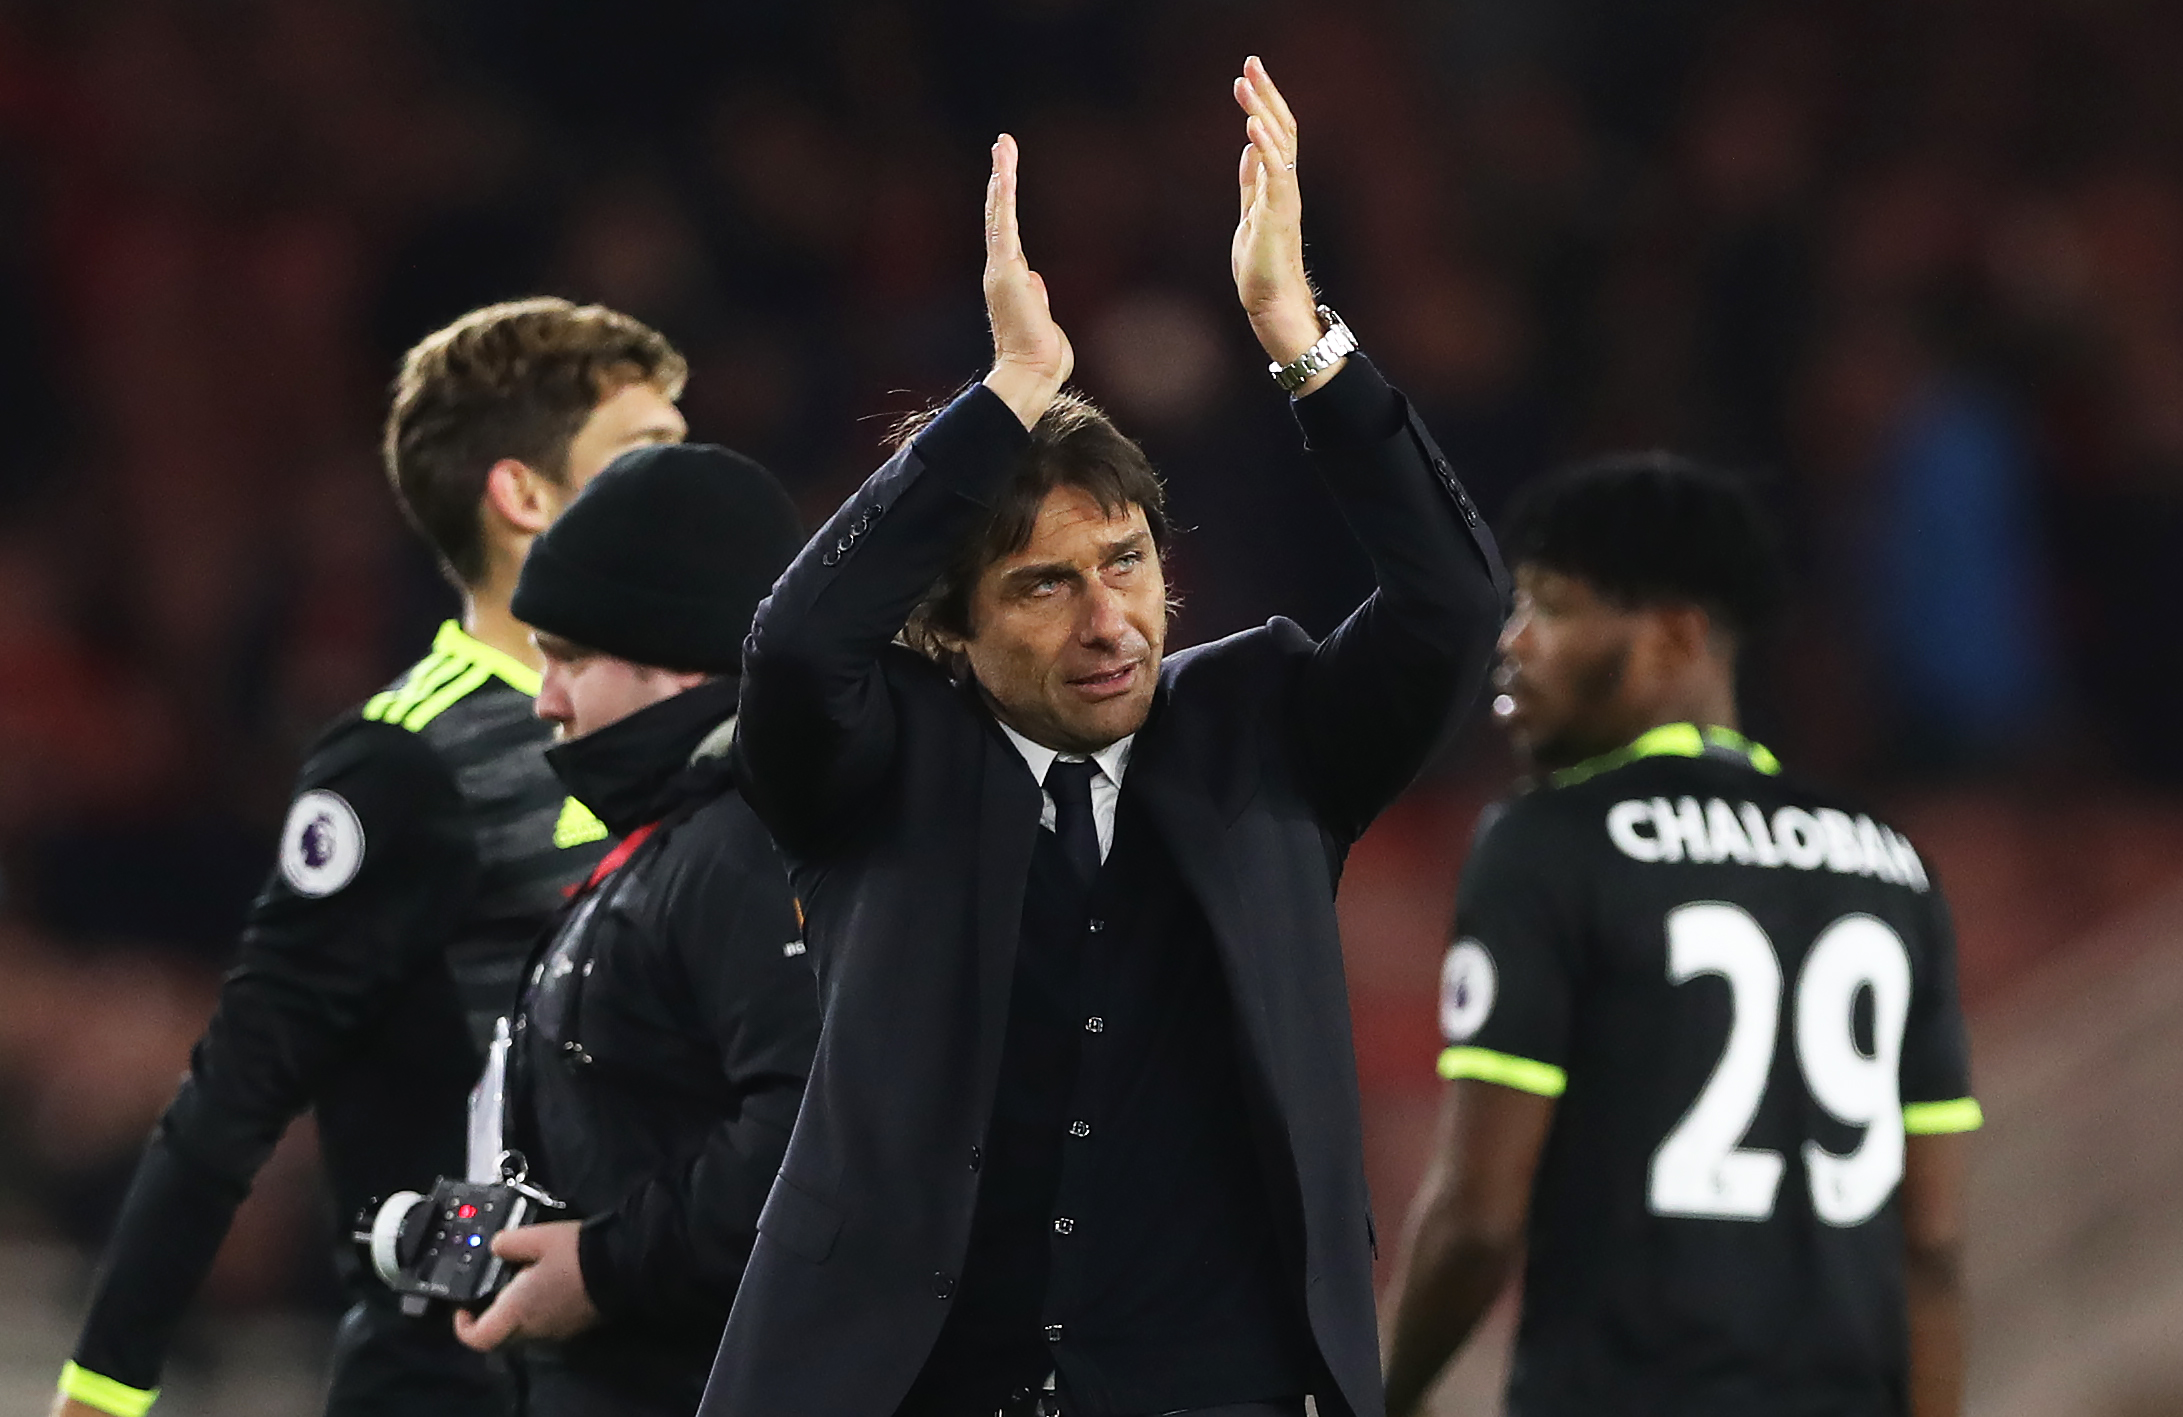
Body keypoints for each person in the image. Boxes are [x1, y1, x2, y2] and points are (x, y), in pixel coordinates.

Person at [707, 59, 1507, 1417]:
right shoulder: (872, 768)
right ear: (948, 632)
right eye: (1041, 583)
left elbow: (1451, 602)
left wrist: (1297, 335)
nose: (1107, 620)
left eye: (1124, 564)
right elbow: (791, 646)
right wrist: (1007, 392)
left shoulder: (1263, 732)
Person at [53, 298, 689, 1417]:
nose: (688, 495)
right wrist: (103, 1392)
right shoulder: (406, 764)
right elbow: (232, 1100)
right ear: (522, 496)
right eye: (644, 458)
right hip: (463, 1383)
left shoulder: (717, 741)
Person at [1379, 456, 1981, 1417]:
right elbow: (1932, 1244)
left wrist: (1385, 1395)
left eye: (1553, 607)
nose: (1514, 642)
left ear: (1674, 638)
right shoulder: (1893, 866)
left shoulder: (1549, 843)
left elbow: (1478, 1220)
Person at [441, 442, 820, 1417]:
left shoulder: (737, 850)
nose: (545, 701)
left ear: (682, 664)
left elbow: (810, 1132)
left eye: (571, 660)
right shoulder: (673, 846)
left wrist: (600, 1269)